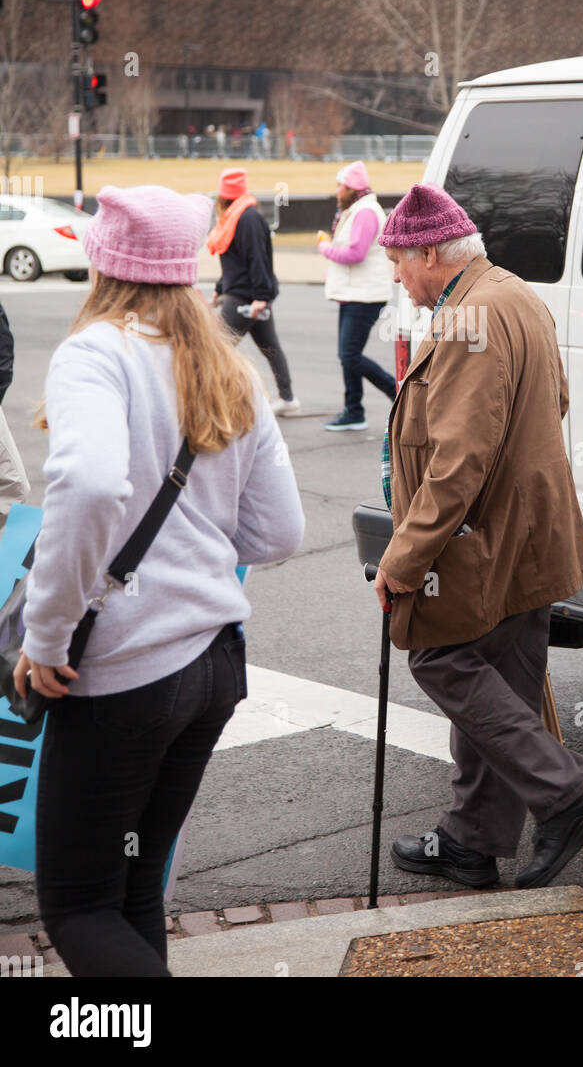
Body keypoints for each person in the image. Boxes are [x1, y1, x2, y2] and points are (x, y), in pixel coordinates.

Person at [14, 184, 304, 977]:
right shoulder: (227, 365)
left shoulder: (95, 353)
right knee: (136, 886)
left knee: (76, 906)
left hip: (126, 670)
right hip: (215, 662)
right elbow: (280, 530)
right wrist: (196, 546)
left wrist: (44, 638)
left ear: (105, 262)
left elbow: (92, 483)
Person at [375, 184, 583, 888]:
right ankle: (470, 841)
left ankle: (568, 794)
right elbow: (558, 400)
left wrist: (402, 559)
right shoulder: (514, 293)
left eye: (398, 262)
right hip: (531, 534)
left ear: (429, 252)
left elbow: (458, 461)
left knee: (437, 658)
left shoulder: (465, 319)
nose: (396, 277)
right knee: (506, 683)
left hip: (487, 539)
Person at [207, 168, 300, 416]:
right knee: (270, 347)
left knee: (216, 349)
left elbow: (257, 260)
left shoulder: (245, 219)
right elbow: (236, 262)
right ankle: (288, 399)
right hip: (246, 293)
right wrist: (219, 289)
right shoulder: (239, 217)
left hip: (245, 297)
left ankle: (216, 402)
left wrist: (260, 297)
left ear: (223, 195)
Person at [316, 161, 396, 430]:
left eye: (341, 185)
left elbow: (355, 254)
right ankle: (354, 411)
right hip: (354, 293)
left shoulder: (365, 212)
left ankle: (397, 393)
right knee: (348, 355)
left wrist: (325, 248)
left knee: (349, 355)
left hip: (366, 295)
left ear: (352, 188)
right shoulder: (356, 209)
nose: (337, 191)